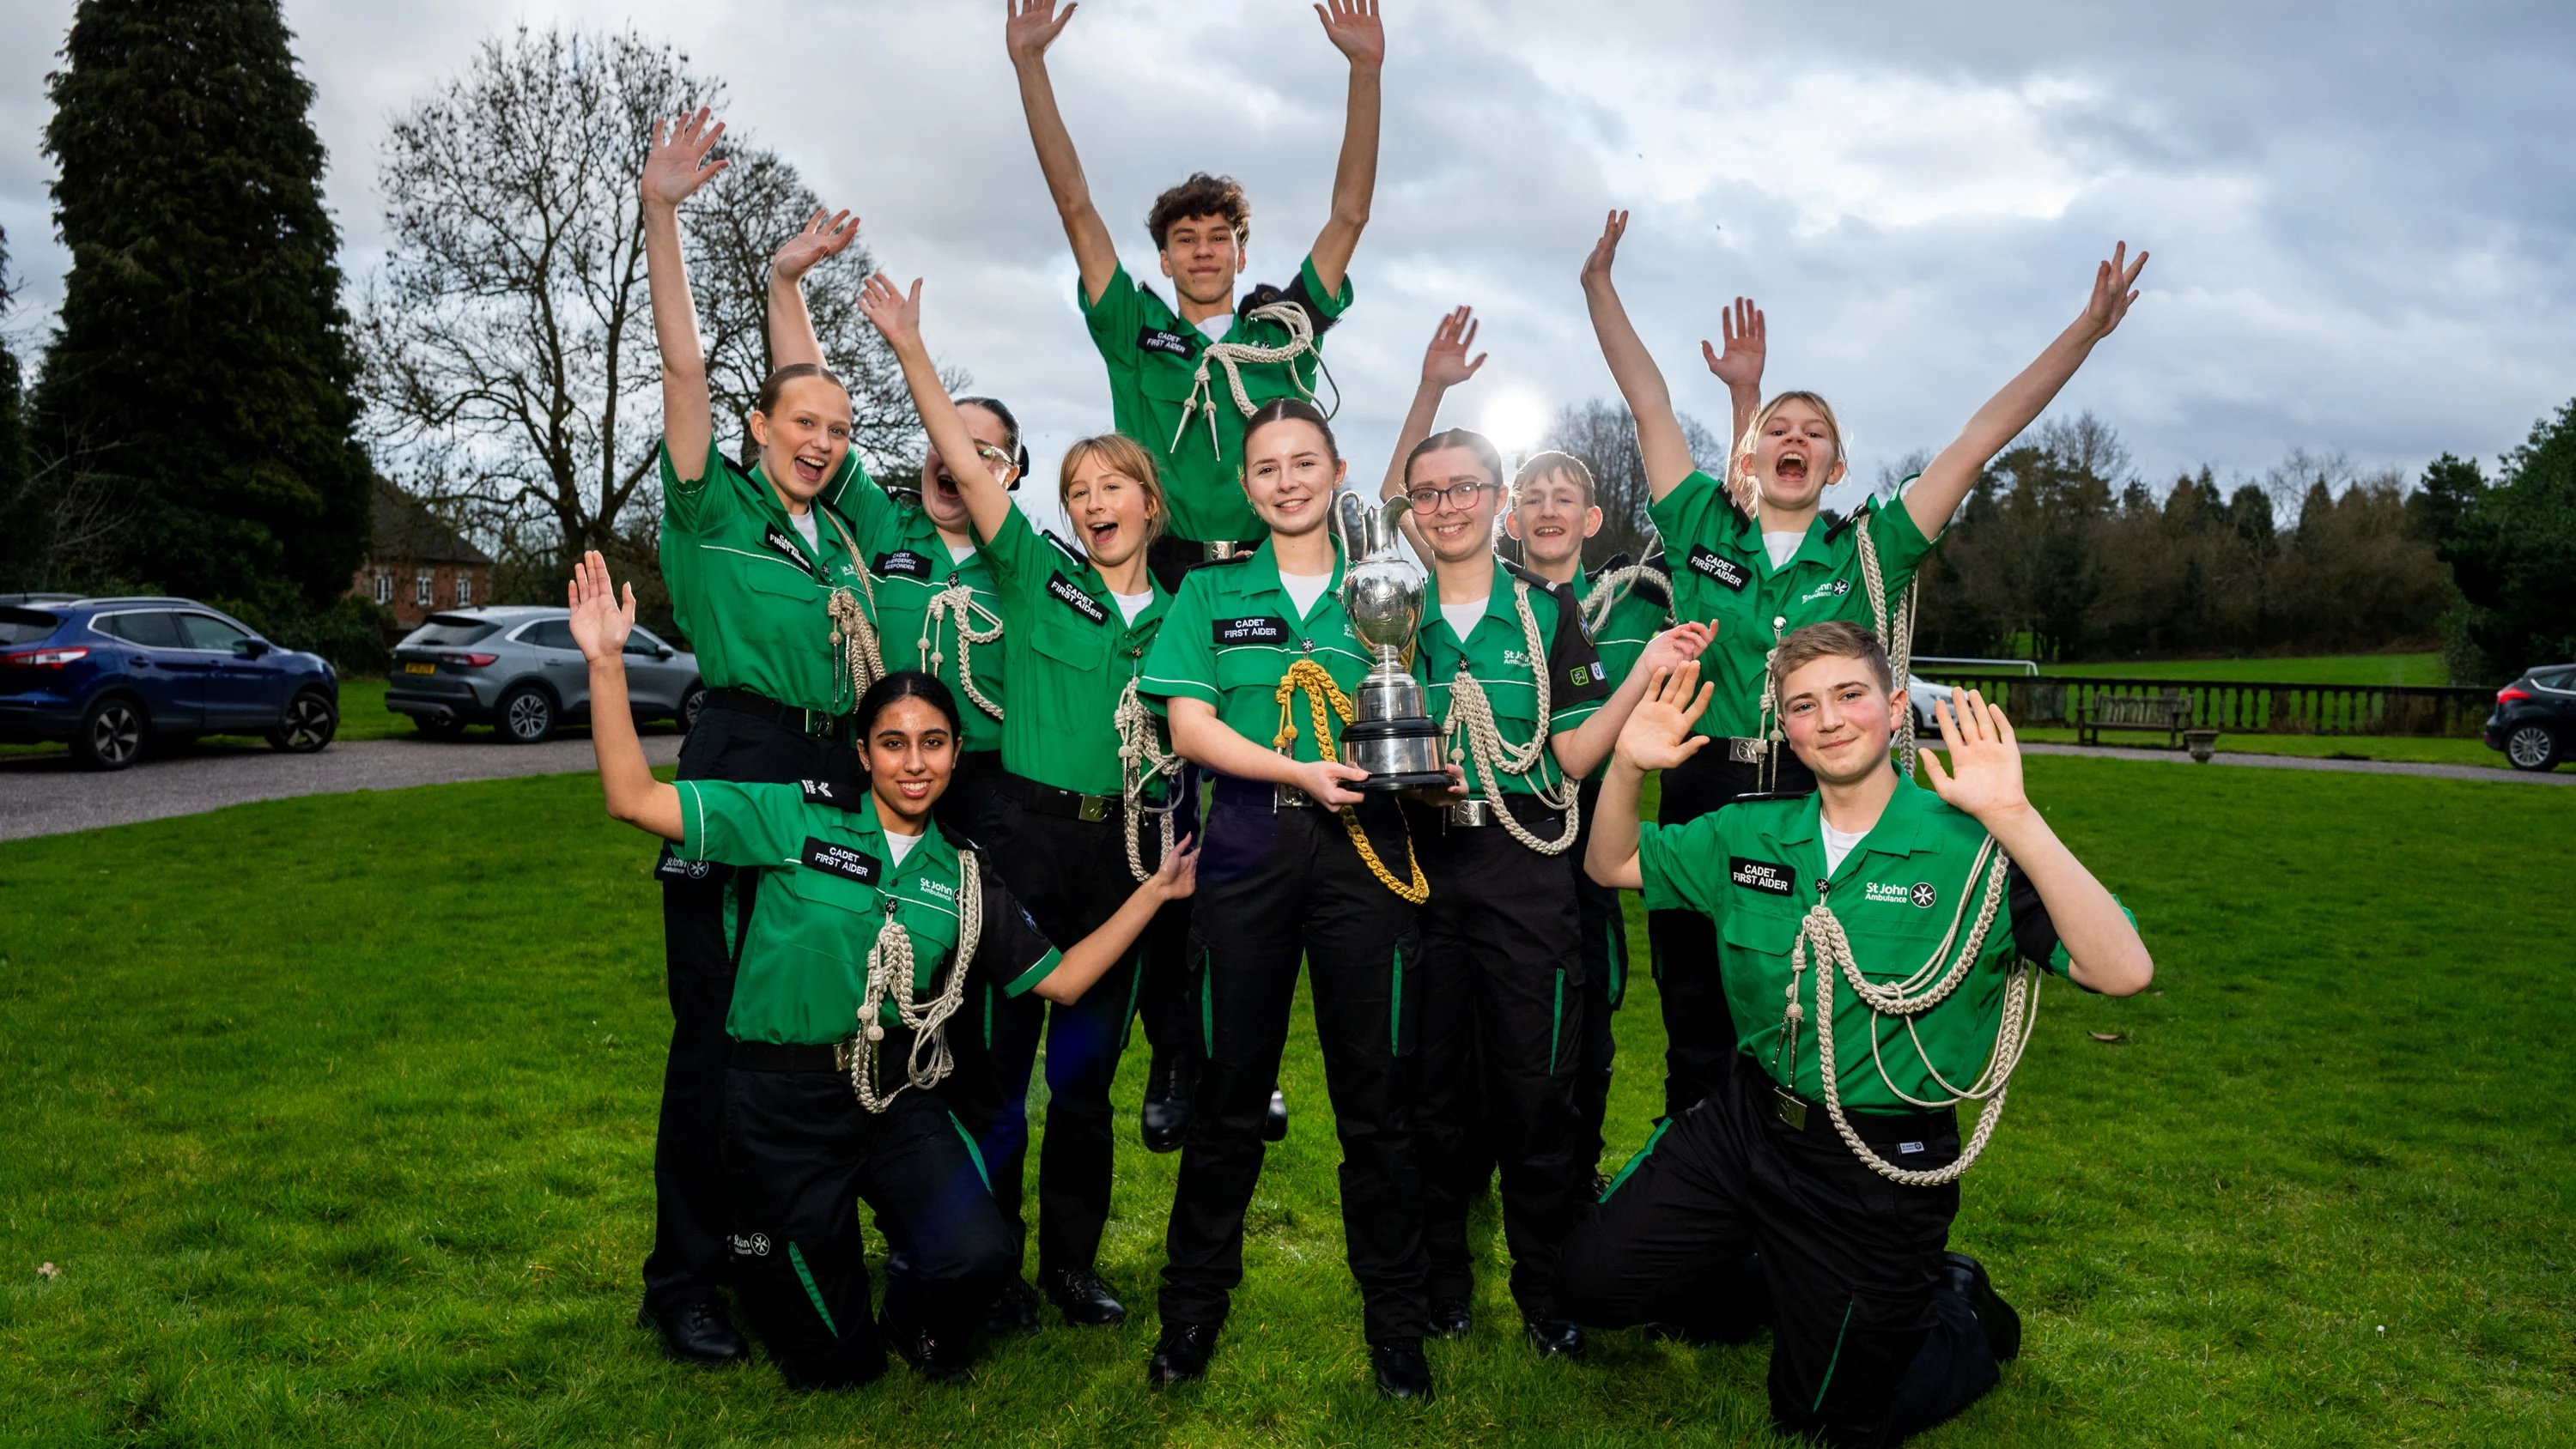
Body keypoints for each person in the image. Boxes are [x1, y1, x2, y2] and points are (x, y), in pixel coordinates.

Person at [568, 550, 1200, 1388]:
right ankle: (783, 1257)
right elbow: (635, 798)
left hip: (891, 1100)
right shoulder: (792, 817)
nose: (914, 762)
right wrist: (605, 662)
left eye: (933, 743)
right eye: (893, 743)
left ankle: (910, 1314)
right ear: (863, 752)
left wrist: (1154, 892)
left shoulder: (963, 874)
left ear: (955, 754)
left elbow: (1066, 979)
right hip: (780, 1107)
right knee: (836, 1363)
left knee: (981, 1254)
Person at [1581, 209, 2148, 1125]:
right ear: (1752, 454)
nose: (1795, 437)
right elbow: (1648, 401)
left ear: (1836, 466)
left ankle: (1827, 1164)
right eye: (1778, 427)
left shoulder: (1873, 548)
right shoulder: (1698, 525)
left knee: (1823, 1003)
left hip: (1825, 785)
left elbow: (1977, 439)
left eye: (1815, 431)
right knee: (1696, 1019)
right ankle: (1699, 1181)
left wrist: (2085, 330)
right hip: (1705, 785)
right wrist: (1599, 286)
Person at [1560, 625, 2151, 1445]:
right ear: (1784, 726)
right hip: (1748, 1125)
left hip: (1874, 1164)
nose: (1830, 720)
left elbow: (2122, 970)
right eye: (1804, 705)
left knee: (1823, 1420)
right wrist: (1628, 765)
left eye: (1850, 695)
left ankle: (1955, 1311)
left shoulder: (1971, 849)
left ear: (1895, 706)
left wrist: (2014, 817)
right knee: (1587, 1286)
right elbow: (1611, 864)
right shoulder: (1749, 832)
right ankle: (1788, 1269)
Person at [857, 270, 1198, 1332]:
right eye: (1078, 489)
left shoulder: (1187, 614)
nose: (1093, 503)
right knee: (995, 1074)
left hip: (1126, 859)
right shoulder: (1036, 575)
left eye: (1113, 486)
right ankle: (989, 1263)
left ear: (1150, 503)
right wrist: (912, 348)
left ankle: (1072, 1266)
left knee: (1085, 1085)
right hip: (1023, 842)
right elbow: (964, 462)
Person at [1370, 312, 1710, 1359]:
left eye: (1467, 487)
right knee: (1429, 1086)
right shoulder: (1390, 609)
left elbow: (1567, 756)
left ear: (1496, 500)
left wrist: (1640, 680)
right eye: (1431, 492)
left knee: (1535, 1086)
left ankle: (1544, 1284)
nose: (1449, 505)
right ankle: (1443, 1280)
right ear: (1416, 509)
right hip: (1419, 865)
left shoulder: (1545, 613)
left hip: (1525, 861)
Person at [634, 110, 905, 1366]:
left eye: (840, 432)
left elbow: (814, 394)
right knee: (717, 1030)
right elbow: (687, 371)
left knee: (811, 1022)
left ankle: (778, 1245)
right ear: (756, 428)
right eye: (801, 426)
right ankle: (683, 1280)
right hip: (742, 758)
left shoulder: (840, 531)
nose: (822, 441)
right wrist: (664, 214)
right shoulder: (713, 508)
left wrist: (789, 283)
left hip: (837, 770)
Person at [1136, 397, 1459, 1399]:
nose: (1287, 481)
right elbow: (1190, 727)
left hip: (1369, 847)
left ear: (1337, 470)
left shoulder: (1390, 586)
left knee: (1379, 1100)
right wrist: (1297, 770)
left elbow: (1420, 716)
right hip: (1248, 843)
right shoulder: (1209, 590)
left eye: (1304, 461)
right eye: (1268, 467)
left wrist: (1423, 778)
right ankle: (1191, 1312)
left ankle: (1396, 1323)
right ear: (1247, 484)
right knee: (1227, 1097)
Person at [1007, 0, 1385, 591]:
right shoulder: (1134, 331)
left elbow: (1350, 216)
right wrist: (1030, 62)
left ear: (1241, 255)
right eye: (1185, 239)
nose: (1203, 250)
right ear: (1165, 258)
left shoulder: (1286, 331)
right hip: (1164, 579)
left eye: (1218, 237)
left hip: (1275, 571)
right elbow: (1075, 207)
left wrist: (1365, 70)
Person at [767, 208, 1018, 837]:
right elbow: (811, 402)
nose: (954, 458)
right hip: (881, 780)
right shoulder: (882, 525)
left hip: (991, 789)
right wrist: (786, 284)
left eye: (977, 451)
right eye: (943, 439)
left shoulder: (1025, 561)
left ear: (1009, 474)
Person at [1499, 448, 1674, 1192]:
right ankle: (1479, 1159)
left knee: (1592, 998)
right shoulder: (1487, 596)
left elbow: (1705, 530)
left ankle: (1578, 1169)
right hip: (1513, 814)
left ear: (1592, 518)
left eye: (1564, 498)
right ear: (1510, 518)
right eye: (1532, 497)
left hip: (1598, 815)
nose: (1548, 510)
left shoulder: (1634, 597)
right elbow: (1404, 506)